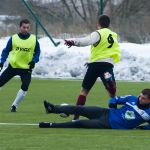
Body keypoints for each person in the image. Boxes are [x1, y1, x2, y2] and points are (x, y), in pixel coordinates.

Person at [64, 15, 121, 120]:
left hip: (95, 65)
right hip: (107, 66)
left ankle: (75, 117)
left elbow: (86, 41)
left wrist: (73, 42)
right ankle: (115, 118)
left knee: (84, 92)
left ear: (98, 24)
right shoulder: (114, 35)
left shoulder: (97, 33)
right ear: (109, 24)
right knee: (112, 94)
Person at [39, 88, 150, 130]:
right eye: (140, 96)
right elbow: (114, 99)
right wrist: (113, 109)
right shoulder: (131, 98)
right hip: (105, 112)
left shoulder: (148, 113)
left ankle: (51, 125)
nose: (140, 99)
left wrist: (142, 128)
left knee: (79, 124)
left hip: (108, 124)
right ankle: (52, 109)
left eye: (143, 98)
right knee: (79, 109)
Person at [0, 19, 40, 112]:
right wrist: (1, 62)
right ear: (20, 27)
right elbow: (6, 51)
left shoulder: (33, 39)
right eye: (24, 27)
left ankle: (14, 105)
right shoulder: (14, 38)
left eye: (27, 27)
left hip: (26, 69)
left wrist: (34, 60)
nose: (26, 29)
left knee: (25, 87)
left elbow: (37, 52)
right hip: (13, 67)